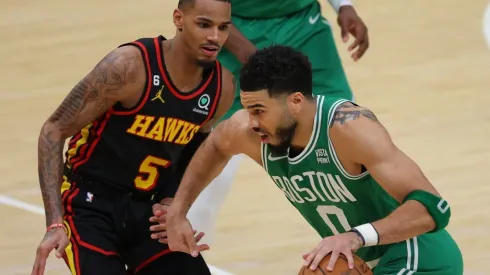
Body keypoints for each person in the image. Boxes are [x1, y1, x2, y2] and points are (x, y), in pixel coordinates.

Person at [163, 45, 464, 274]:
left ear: (295, 101)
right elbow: (216, 145)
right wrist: (178, 209)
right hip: (361, 263)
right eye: (248, 109)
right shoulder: (251, 131)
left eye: (259, 110)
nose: (251, 122)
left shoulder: (349, 128)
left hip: (418, 258)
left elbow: (432, 208)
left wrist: (355, 237)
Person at [31, 0, 235, 274]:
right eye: (204, 25)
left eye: (223, 28)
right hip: (86, 206)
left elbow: (195, 151)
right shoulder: (128, 67)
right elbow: (52, 130)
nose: (215, 37)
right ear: (178, 19)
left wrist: (173, 205)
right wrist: (54, 222)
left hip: (147, 210)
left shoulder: (221, 88)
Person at [186, 0, 370, 246]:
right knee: (215, 142)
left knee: (345, 129)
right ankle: (184, 247)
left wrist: (344, 6)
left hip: (304, 28)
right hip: (237, 29)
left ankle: (370, 237)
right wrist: (244, 51)